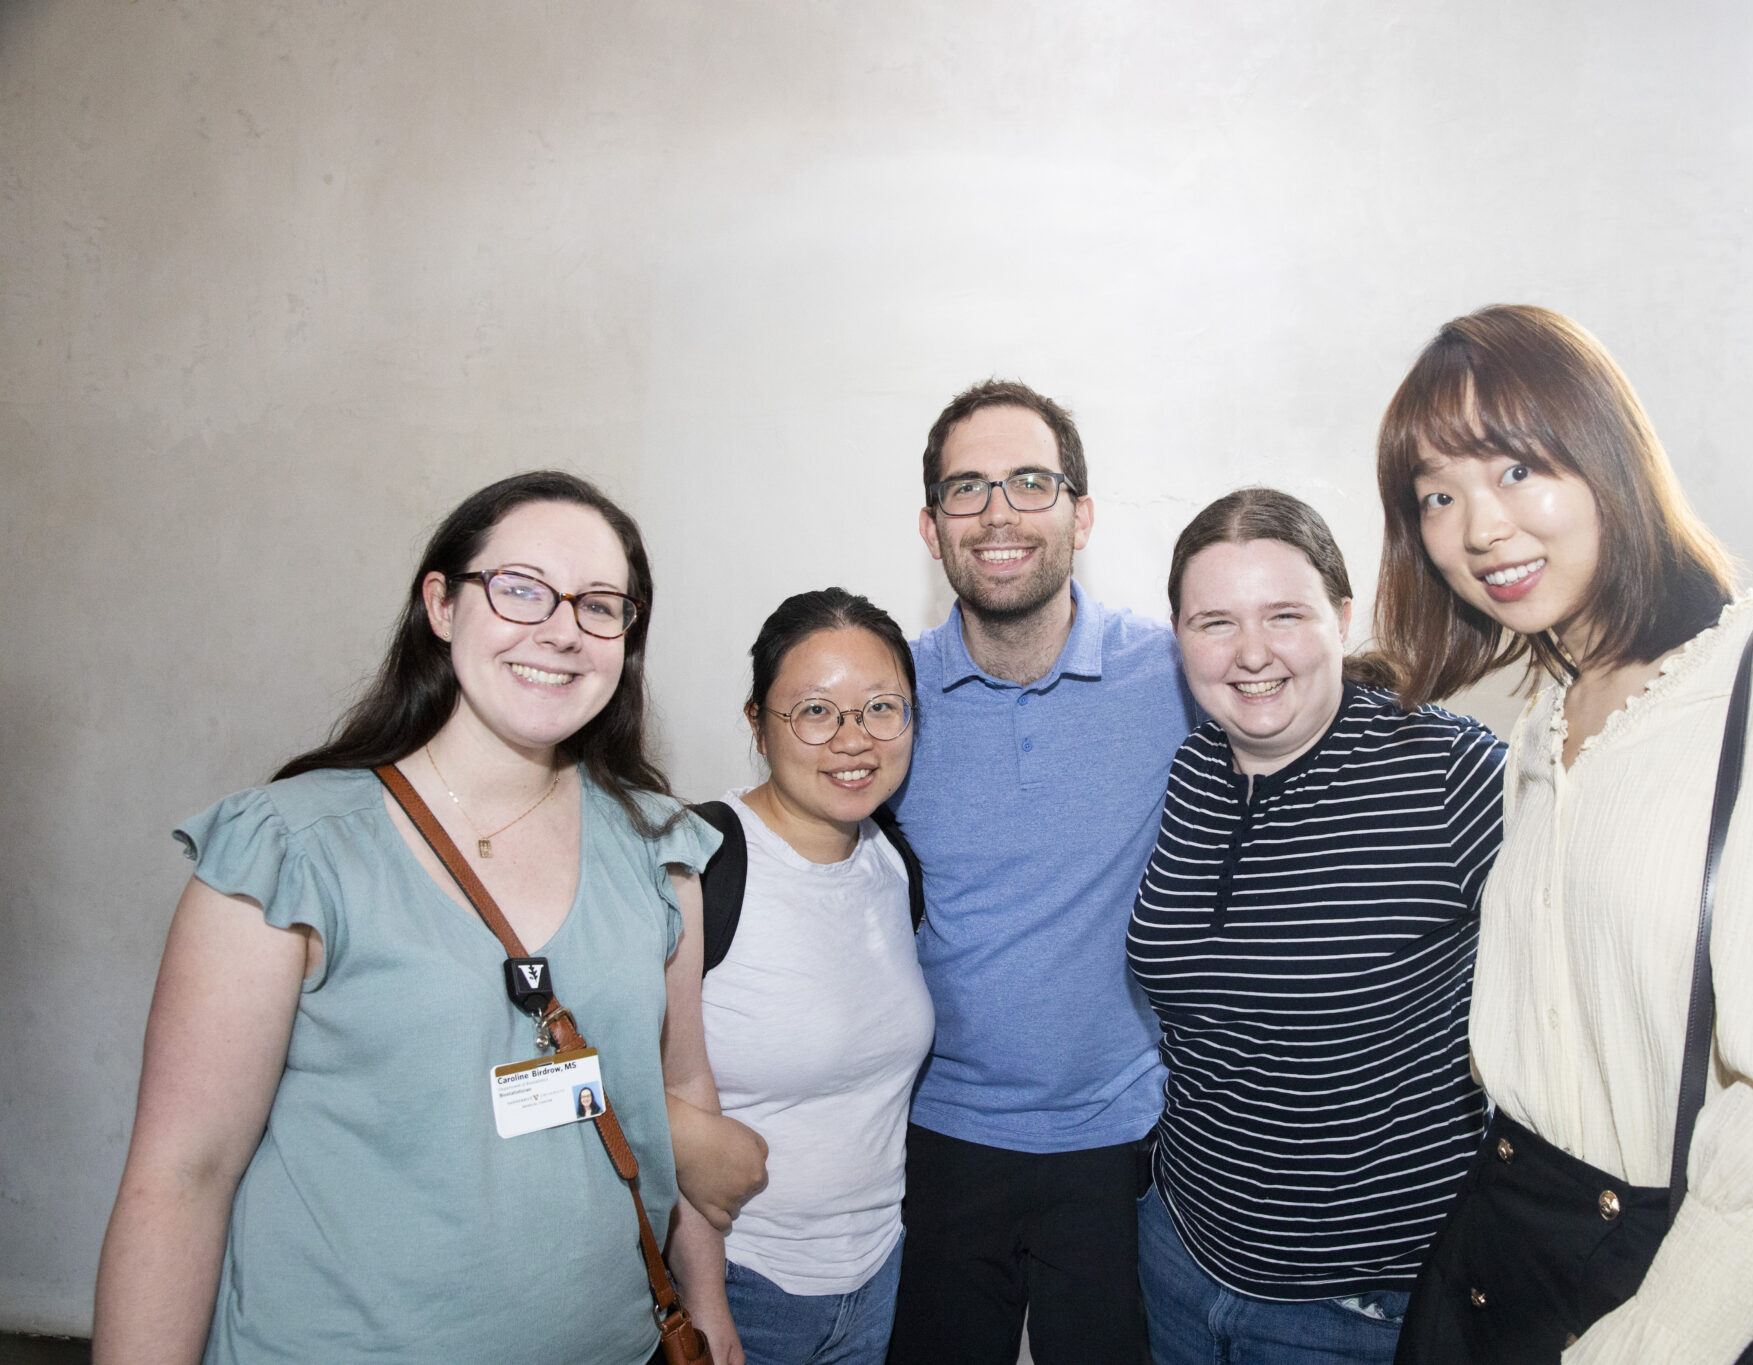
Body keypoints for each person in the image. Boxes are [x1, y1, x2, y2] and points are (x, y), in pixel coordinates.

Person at [1372, 305, 1753, 1363]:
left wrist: (1652, 1341)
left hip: (1681, 1298)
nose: (1478, 529)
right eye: (1435, 497)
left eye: (1514, 470)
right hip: (1500, 1255)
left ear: (1605, 452)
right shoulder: (1541, 722)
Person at [93, 470, 746, 1365]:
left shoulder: (659, 849)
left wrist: (704, 1302)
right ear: (441, 604)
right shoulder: (290, 851)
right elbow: (181, 1176)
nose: (561, 630)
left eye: (600, 604)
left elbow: (679, 1095)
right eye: (520, 588)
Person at [1127, 488, 1506, 1365]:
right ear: (1177, 634)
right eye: (1214, 620)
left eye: (1285, 615)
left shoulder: (1448, 772)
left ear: (1341, 615)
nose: (1251, 652)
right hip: (1181, 1251)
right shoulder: (1193, 767)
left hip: (1356, 1307)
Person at [885, 380, 1199, 1365]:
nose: (998, 513)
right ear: (931, 528)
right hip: (932, 1144)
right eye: (966, 489)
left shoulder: (1175, 676)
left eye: (1029, 482)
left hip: (1124, 1149)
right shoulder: (883, 701)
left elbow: (1312, 698)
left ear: (1081, 513)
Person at [684, 588, 936, 1365]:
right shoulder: (695, 862)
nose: (853, 740)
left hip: (876, 1274)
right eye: (816, 712)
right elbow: (641, 1085)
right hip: (743, 1285)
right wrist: (704, 1303)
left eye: (881, 708)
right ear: (759, 723)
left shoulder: (892, 863)